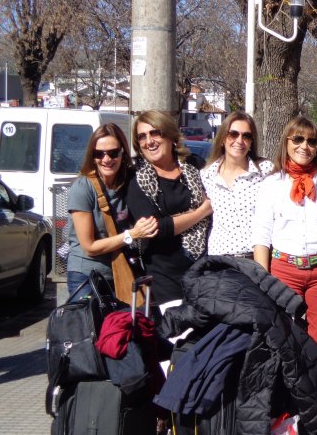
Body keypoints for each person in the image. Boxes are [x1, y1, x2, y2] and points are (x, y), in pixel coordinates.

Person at [252, 116, 317, 351]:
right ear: (286, 142)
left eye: (312, 141)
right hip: (284, 270)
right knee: (283, 341)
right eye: (298, 139)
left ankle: (314, 377)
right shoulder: (272, 183)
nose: (305, 146)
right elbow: (261, 234)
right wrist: (263, 279)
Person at [126, 111, 212, 305]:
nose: (149, 141)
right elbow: (156, 228)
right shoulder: (136, 179)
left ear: (171, 136)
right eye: (142, 137)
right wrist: (202, 211)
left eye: (155, 133)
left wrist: (178, 220)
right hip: (165, 277)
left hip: (205, 270)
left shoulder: (195, 165)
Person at [66, 123, 158, 298]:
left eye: (113, 153)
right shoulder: (83, 187)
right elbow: (89, 247)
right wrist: (132, 234)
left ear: (123, 153)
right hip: (87, 275)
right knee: (90, 317)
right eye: (99, 154)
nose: (106, 159)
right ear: (92, 156)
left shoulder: (129, 183)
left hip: (122, 273)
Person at [200, 112, 273, 257]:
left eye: (246, 136)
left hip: (255, 258)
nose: (239, 141)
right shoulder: (207, 175)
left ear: (251, 142)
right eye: (233, 134)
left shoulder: (265, 170)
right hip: (220, 259)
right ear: (222, 138)